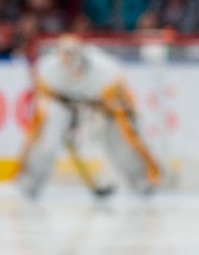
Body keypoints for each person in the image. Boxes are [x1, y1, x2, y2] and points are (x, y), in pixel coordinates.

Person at [17, 34, 161, 197]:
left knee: (118, 139)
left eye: (73, 56)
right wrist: (70, 122)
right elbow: (46, 102)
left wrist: (98, 114)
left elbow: (118, 99)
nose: (69, 62)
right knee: (48, 135)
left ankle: (140, 178)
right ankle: (31, 180)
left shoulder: (104, 70)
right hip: (64, 105)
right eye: (65, 56)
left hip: (101, 104)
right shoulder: (48, 69)